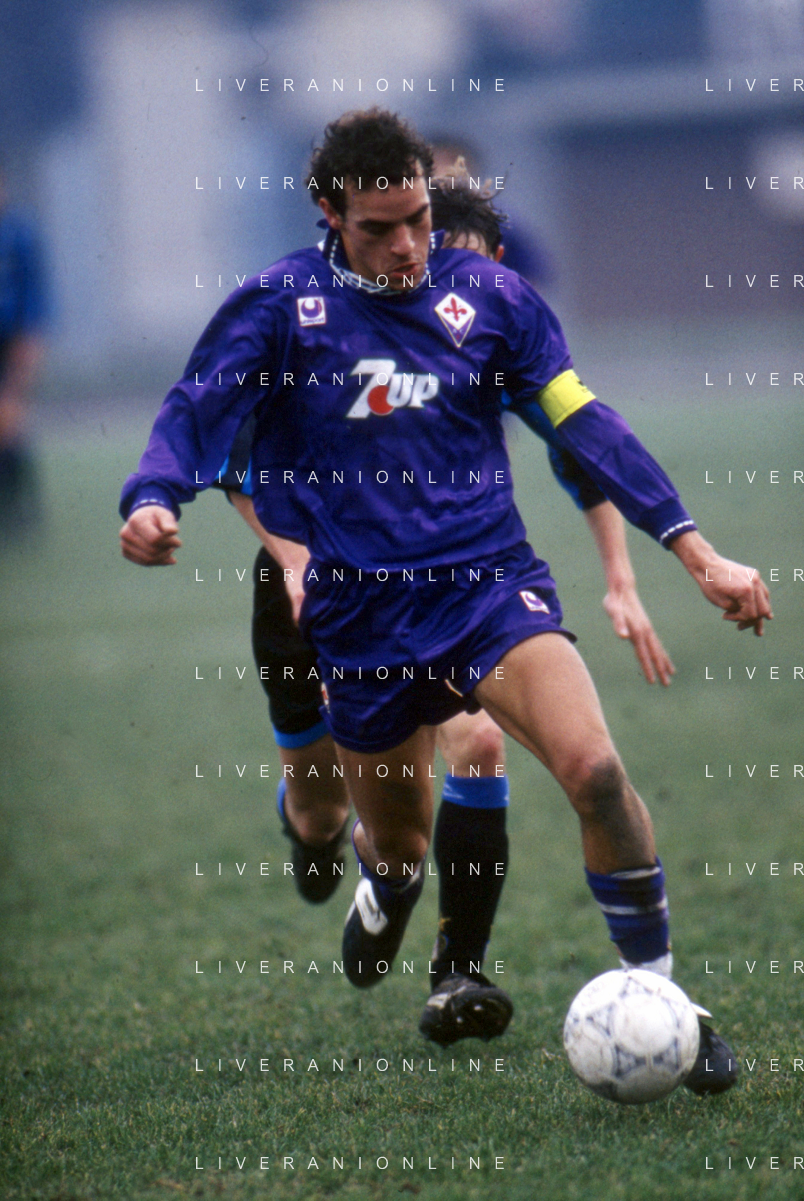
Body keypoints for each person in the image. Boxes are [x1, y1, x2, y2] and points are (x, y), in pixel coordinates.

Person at [119, 109, 771, 1094]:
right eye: (380, 228)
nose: (408, 246)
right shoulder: (278, 308)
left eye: (420, 219)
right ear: (330, 214)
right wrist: (152, 497)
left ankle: (666, 997)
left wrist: (694, 549)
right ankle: (383, 882)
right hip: (358, 617)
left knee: (595, 769)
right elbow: (193, 407)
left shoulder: (494, 299)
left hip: (486, 588)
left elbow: (583, 424)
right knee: (400, 847)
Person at [217, 172, 675, 1047]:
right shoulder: (323, 323)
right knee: (328, 814)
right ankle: (356, 857)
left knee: (481, 741)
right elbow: (238, 457)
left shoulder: (494, 332)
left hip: (456, 586)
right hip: (316, 591)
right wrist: (297, 560)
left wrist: (623, 573)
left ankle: (456, 970)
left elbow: (583, 445)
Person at [0, 161, 47, 539]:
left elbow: (36, 295)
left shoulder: (19, 233)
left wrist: (29, 344)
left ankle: (20, 513)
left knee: (9, 423)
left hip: (10, 341)